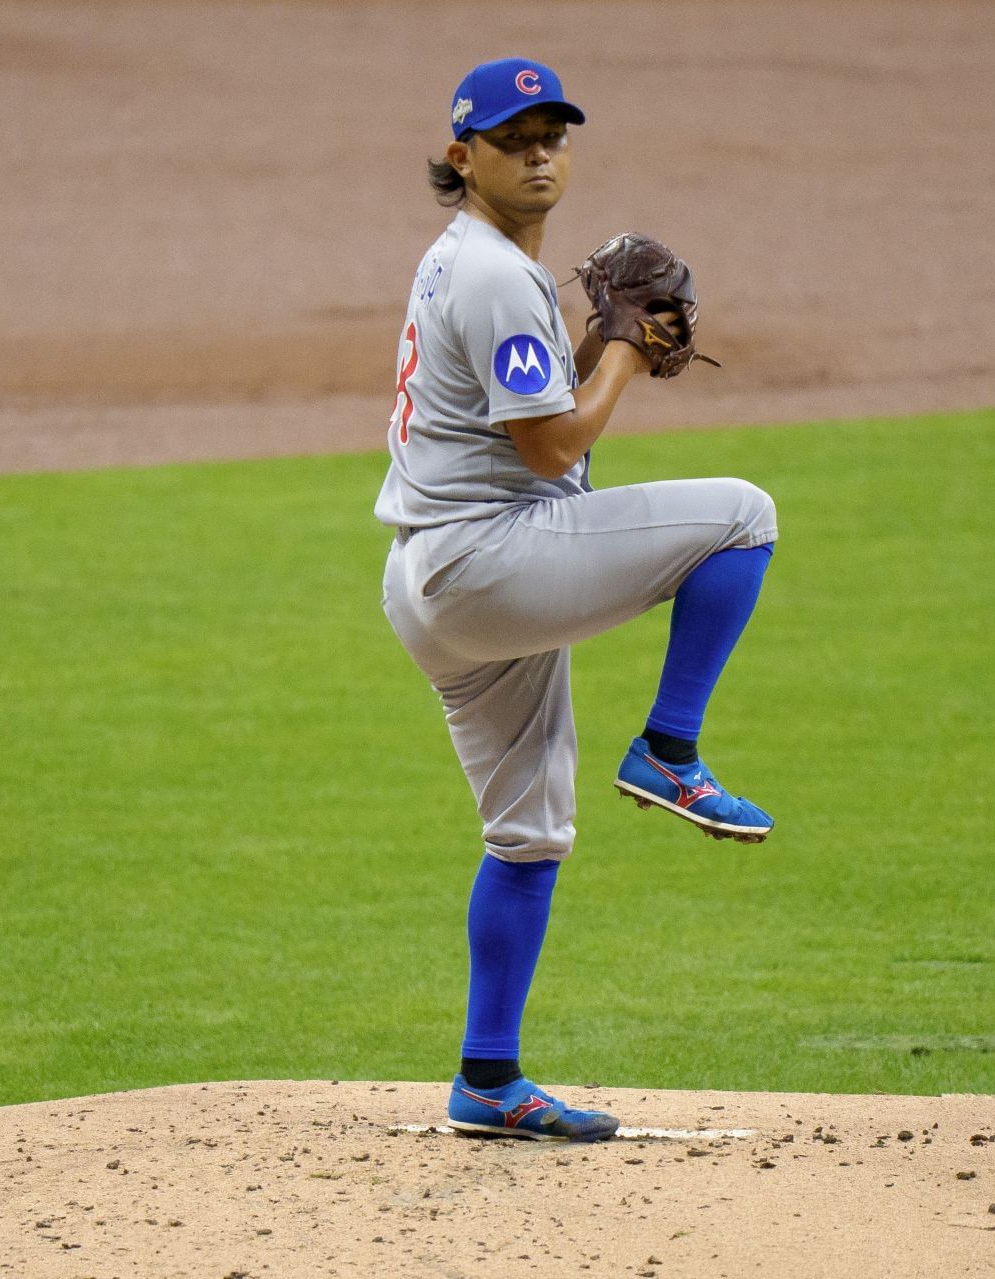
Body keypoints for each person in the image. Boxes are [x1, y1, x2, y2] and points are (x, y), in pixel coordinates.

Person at [376, 57, 779, 1142]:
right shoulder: (498, 277)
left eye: (554, 133)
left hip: (429, 579)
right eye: (515, 137)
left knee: (527, 836)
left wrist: (602, 346)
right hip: (488, 560)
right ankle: (671, 751)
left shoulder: (467, 260)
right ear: (464, 157)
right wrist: (622, 355)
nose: (541, 151)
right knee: (743, 515)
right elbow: (553, 447)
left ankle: (488, 1078)